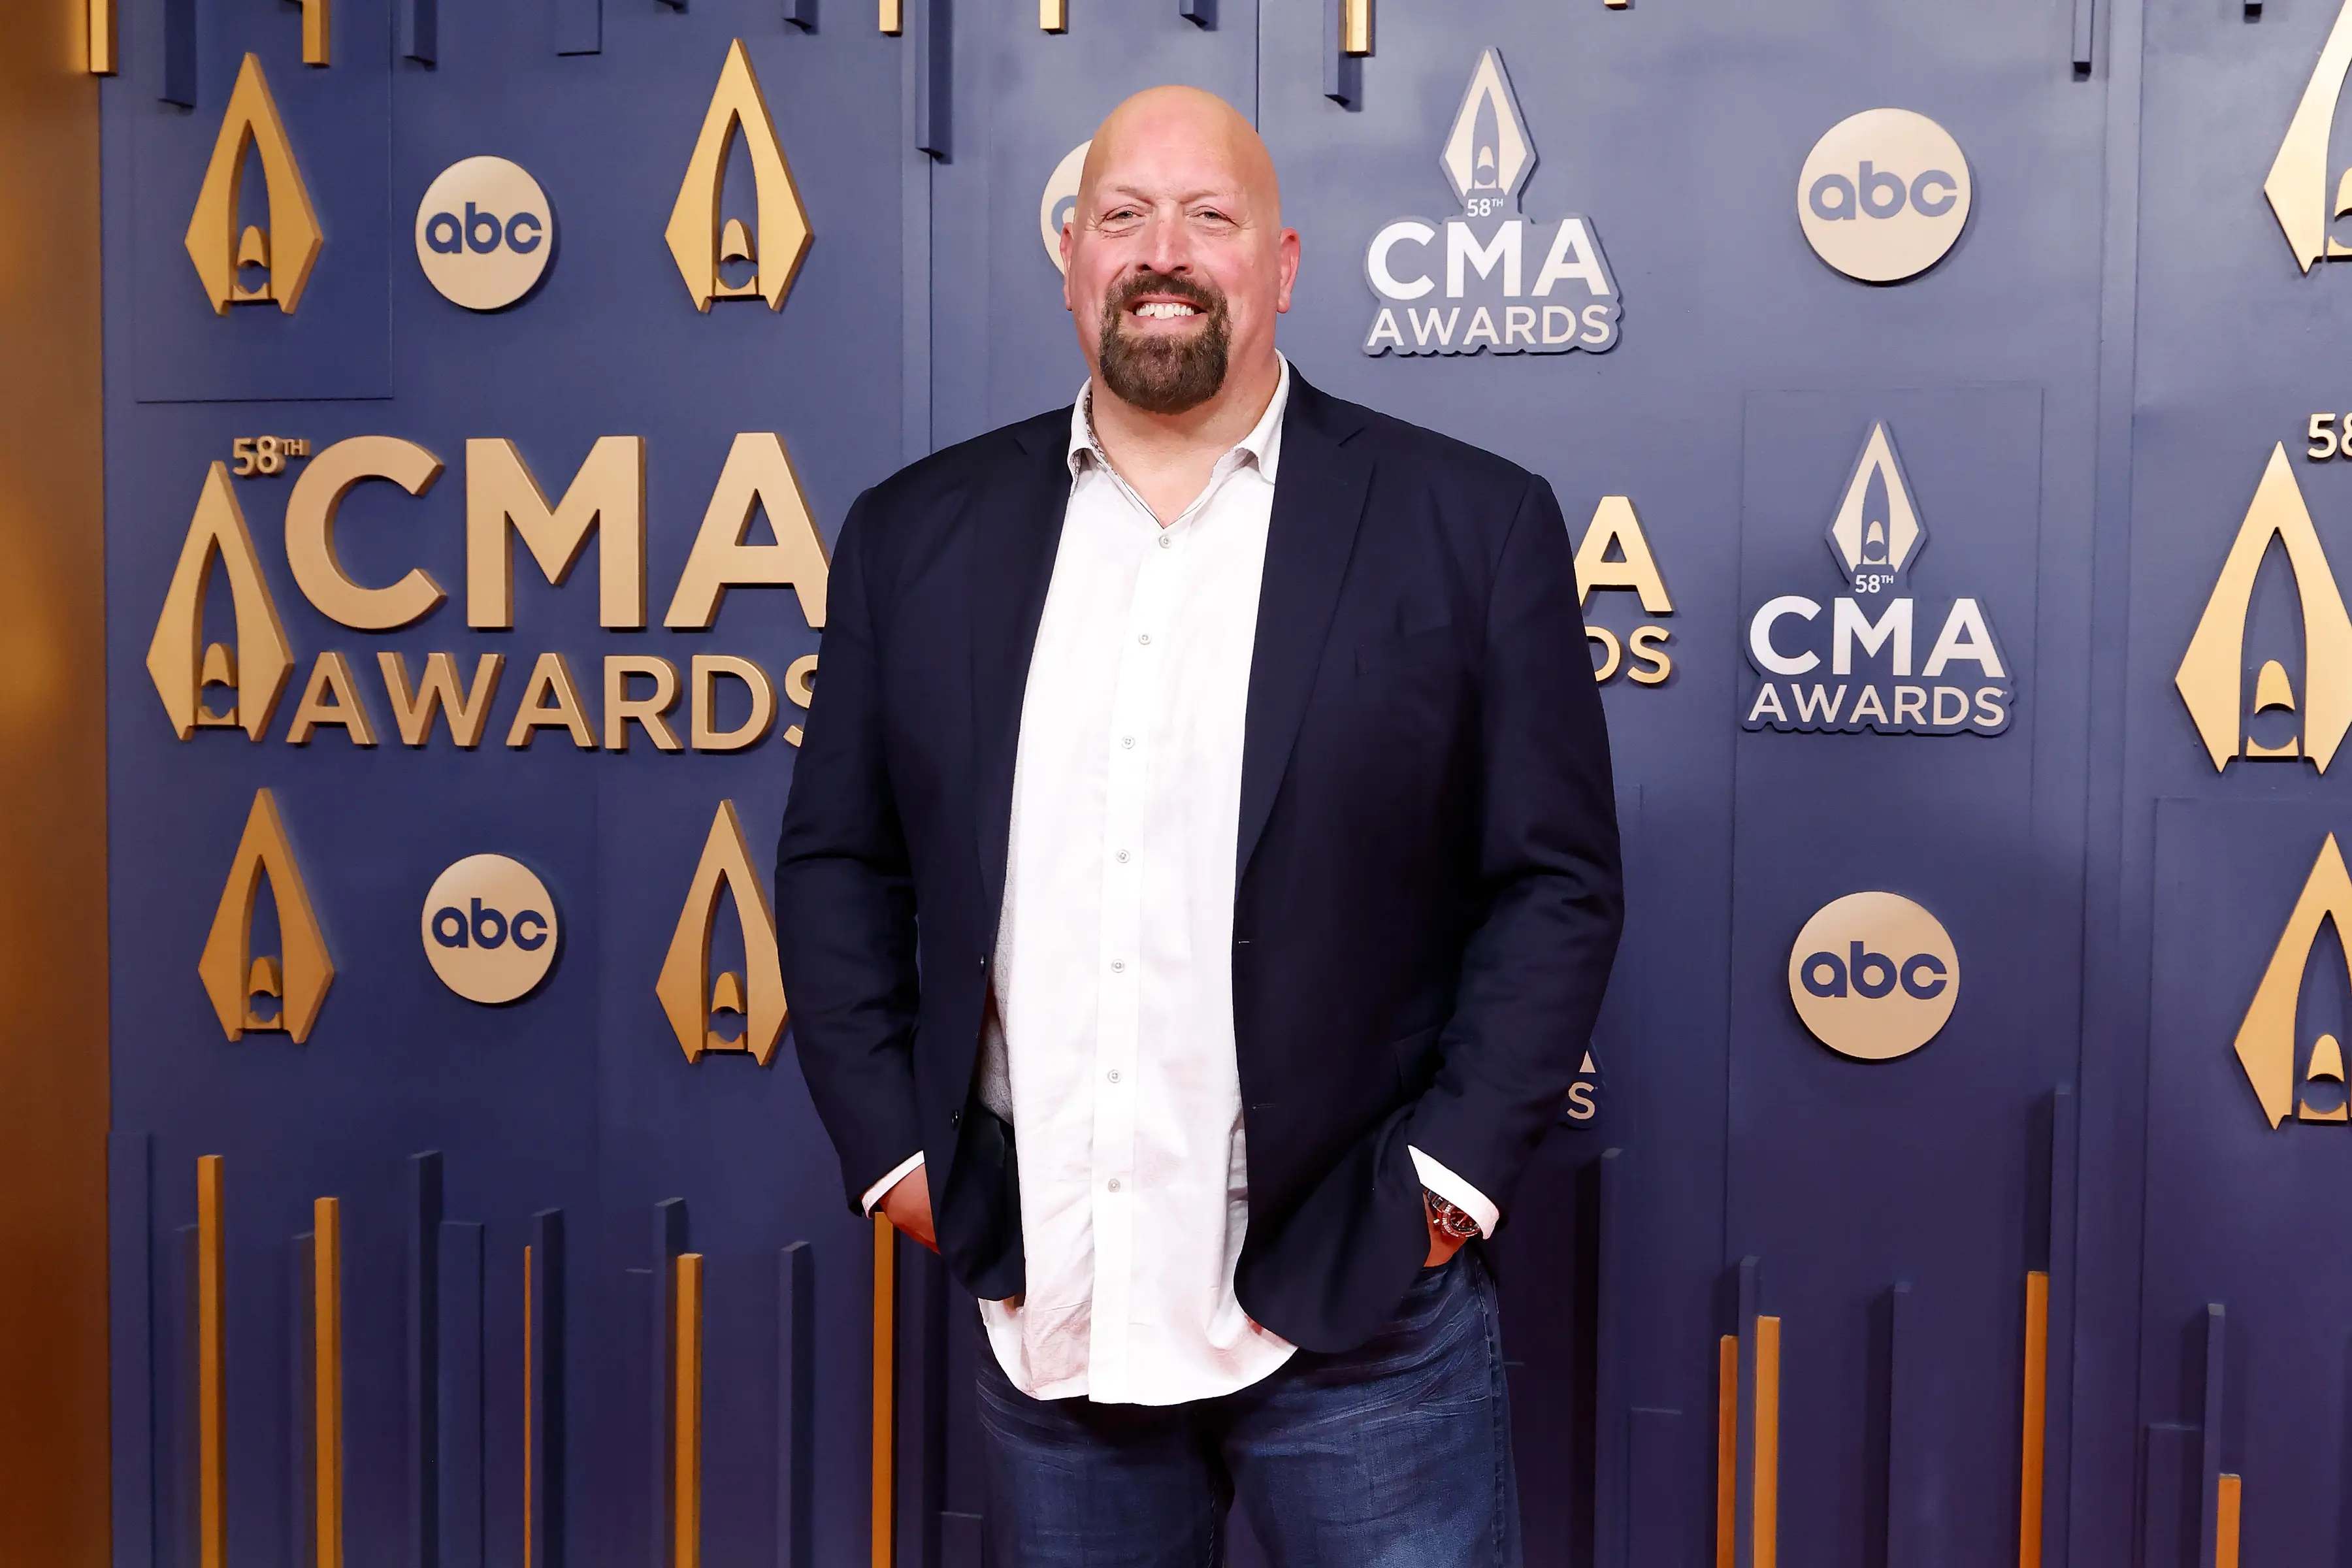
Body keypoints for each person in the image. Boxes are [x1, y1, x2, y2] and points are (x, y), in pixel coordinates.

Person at [775, 84, 1622, 1567]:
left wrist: (1449, 1182)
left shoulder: (1468, 522)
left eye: (1208, 217)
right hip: (1052, 1291)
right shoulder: (915, 535)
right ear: (1071, 259)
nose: (1163, 251)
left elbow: (1553, 881)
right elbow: (840, 860)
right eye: (1123, 216)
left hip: (1364, 1300)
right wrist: (894, 1156)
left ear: (1281, 266)